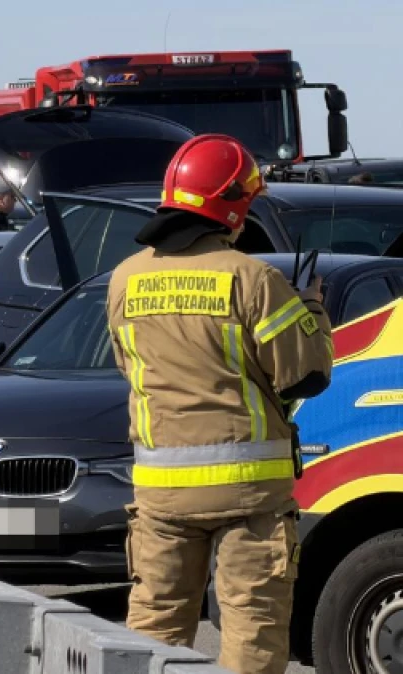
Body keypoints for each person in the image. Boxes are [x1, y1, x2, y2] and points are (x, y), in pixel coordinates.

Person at [106, 134, 333, 674]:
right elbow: (306, 375)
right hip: (247, 494)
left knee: (153, 630)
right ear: (232, 206)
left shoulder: (124, 279)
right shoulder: (253, 279)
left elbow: (131, 368)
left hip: (160, 494)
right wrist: (312, 310)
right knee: (252, 632)